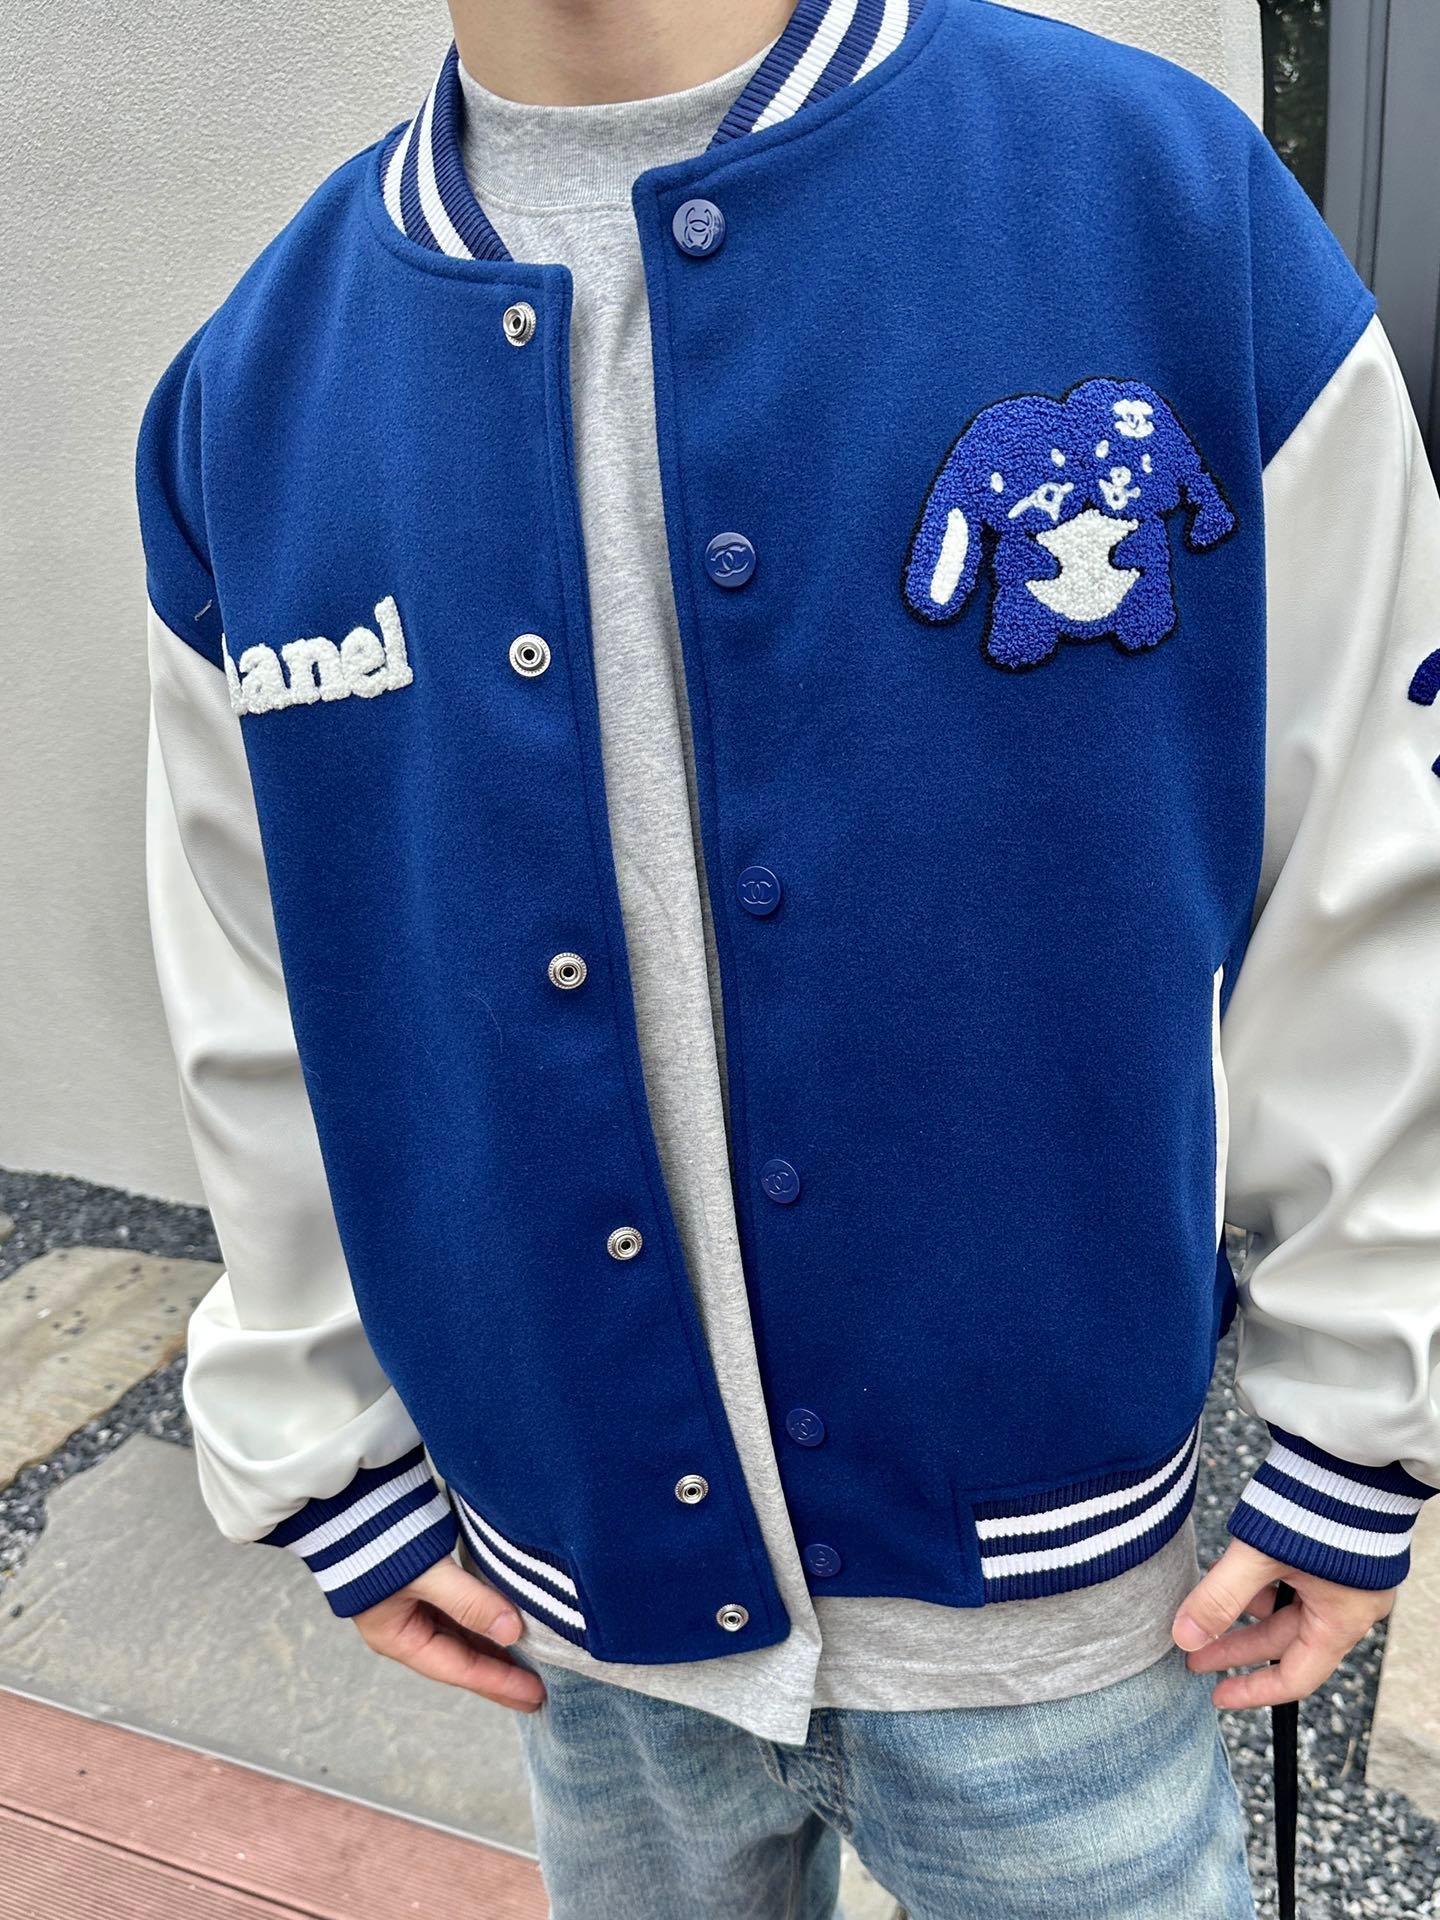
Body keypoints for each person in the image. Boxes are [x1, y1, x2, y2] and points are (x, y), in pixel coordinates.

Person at [136, 1, 1440, 1914]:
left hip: (1061, 1632)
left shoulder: (1156, 201)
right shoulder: (253, 393)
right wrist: (322, 1441)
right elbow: (261, 986)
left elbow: (1381, 842)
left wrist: (1366, 1406)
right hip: (581, 1613)